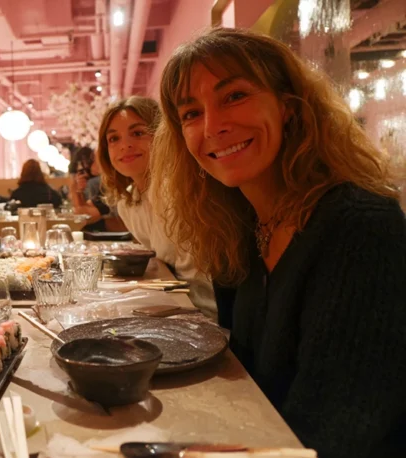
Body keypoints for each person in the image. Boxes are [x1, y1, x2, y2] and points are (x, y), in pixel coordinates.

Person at [151, 28, 406, 457]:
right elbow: (246, 371)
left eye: (234, 96)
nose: (213, 126)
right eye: (192, 113)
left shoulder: (360, 226)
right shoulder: (242, 228)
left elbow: (337, 433)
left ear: (288, 105)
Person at [96, 96, 215, 316]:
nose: (125, 145)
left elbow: (190, 277)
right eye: (114, 139)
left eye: (137, 133)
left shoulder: (178, 189)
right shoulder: (127, 202)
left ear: (163, 134)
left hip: (203, 309)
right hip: (172, 301)